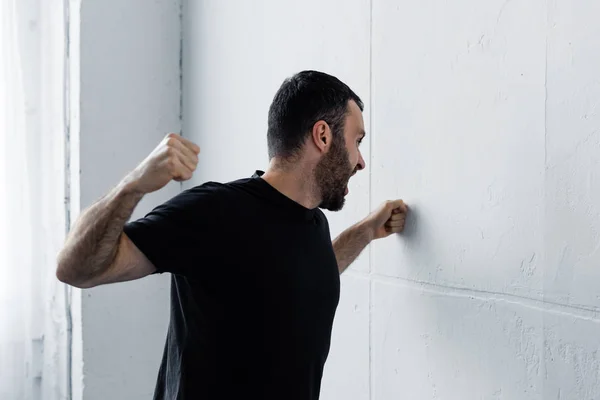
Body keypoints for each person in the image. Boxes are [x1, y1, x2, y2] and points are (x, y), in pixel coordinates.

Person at [56, 70, 409, 400]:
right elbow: (76, 269)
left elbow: (297, 278)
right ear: (322, 136)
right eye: (356, 141)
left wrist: (365, 232)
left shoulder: (312, 223)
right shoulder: (215, 212)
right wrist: (133, 185)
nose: (360, 161)